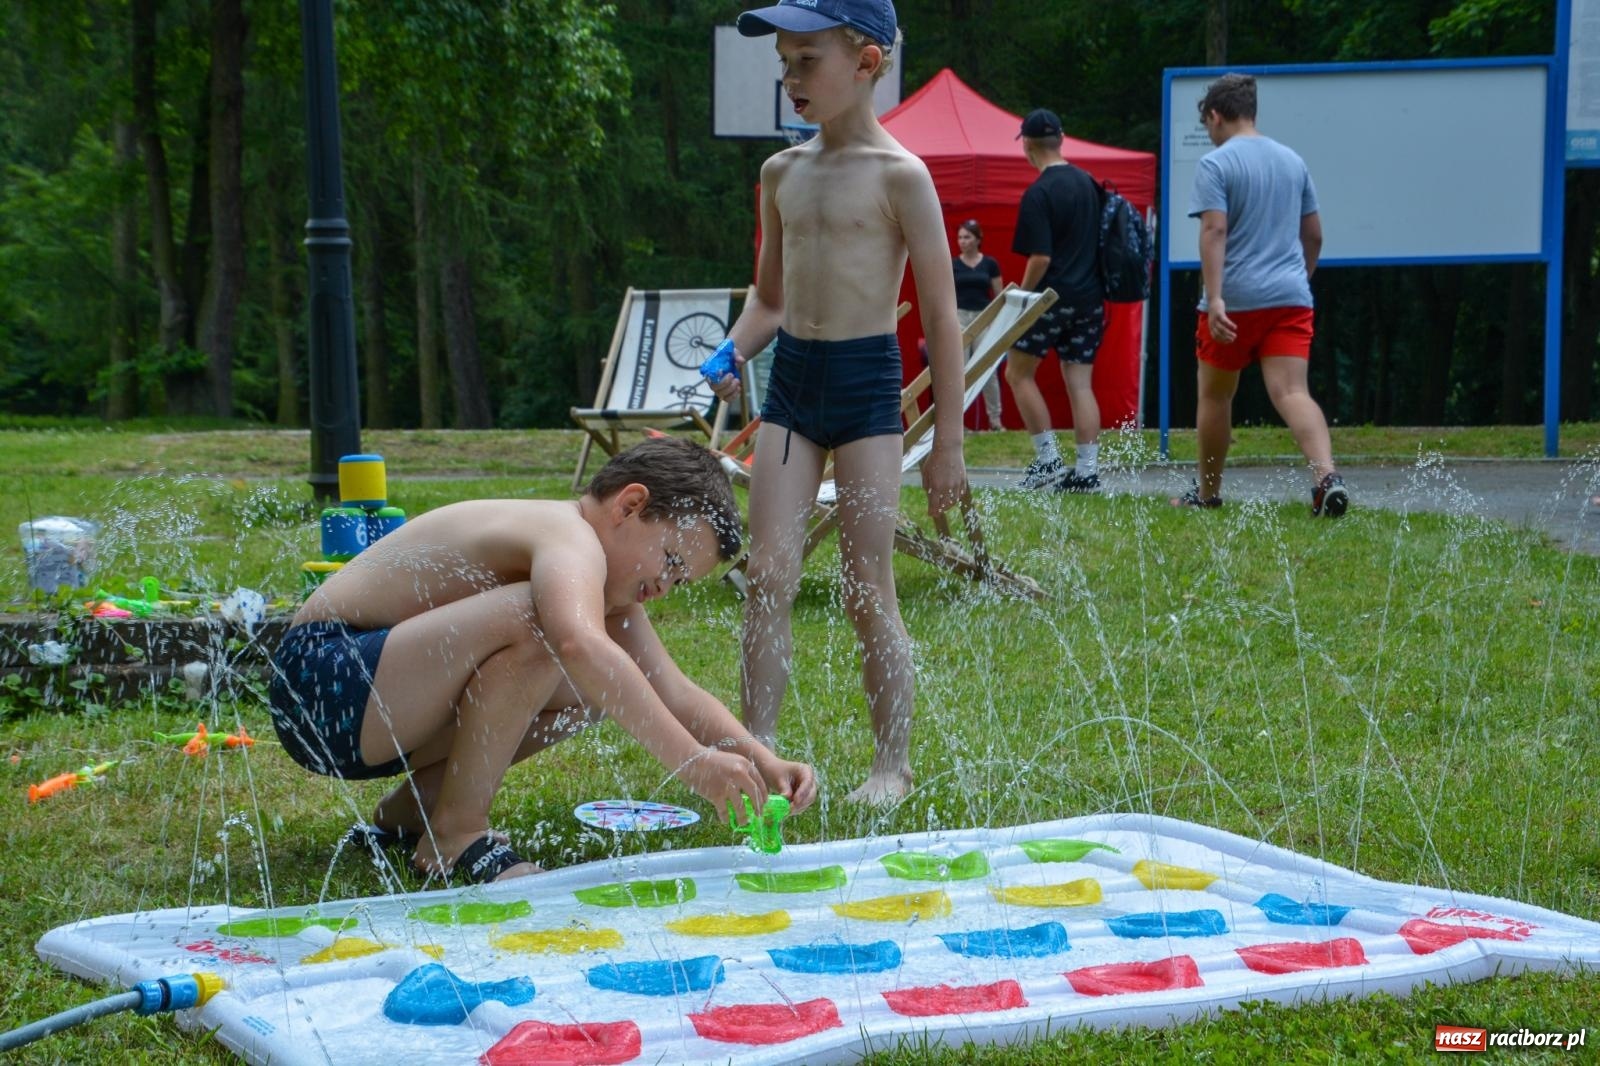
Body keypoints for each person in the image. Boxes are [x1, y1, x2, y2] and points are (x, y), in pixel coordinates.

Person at [267, 437, 818, 884]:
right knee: (554, 631)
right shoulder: (567, 535)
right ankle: (458, 835)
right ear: (630, 505)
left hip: (376, 710)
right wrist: (693, 764)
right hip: (324, 680)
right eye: (670, 562)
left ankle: (409, 814)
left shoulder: (607, 586)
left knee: (602, 688)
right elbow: (576, 643)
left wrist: (759, 758)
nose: (664, 587)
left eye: (679, 581)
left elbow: (673, 691)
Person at [710, 0, 968, 806]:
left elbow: (939, 321)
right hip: (792, 390)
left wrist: (949, 447)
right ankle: (762, 754)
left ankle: (890, 766)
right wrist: (732, 350)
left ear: (866, 61)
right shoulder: (781, 174)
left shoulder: (903, 178)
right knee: (769, 578)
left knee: (867, 585)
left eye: (806, 60)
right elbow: (770, 298)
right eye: (783, 63)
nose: (790, 79)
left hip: (864, 392)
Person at [1174, 72, 1347, 517]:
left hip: (1234, 300)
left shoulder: (1216, 164)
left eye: (1207, 124)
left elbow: (1215, 229)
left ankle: (1209, 494)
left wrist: (1214, 299)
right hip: (1290, 296)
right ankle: (1326, 478)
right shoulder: (1293, 160)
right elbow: (1315, 236)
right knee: (1292, 391)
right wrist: (1298, 280)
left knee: (1215, 396)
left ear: (1215, 116)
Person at [1006, 108, 1105, 494]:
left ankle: (1047, 460)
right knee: (1080, 383)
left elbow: (1041, 258)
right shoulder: (1090, 184)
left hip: (1050, 298)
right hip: (1091, 299)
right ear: (1061, 139)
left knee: (1018, 373)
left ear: (1027, 145)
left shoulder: (1039, 193)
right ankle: (1087, 471)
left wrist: (1024, 296)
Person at [952, 219, 1005, 431]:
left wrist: (996, 323)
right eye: (960, 237)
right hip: (959, 317)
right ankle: (958, 423)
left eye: (967, 237)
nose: (963, 241)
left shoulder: (990, 264)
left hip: (984, 316)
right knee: (959, 371)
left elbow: (999, 295)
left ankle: (995, 421)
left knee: (987, 369)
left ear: (978, 239)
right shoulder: (953, 264)